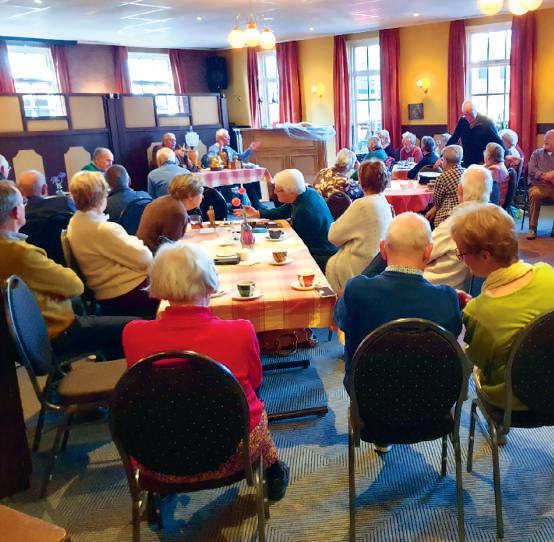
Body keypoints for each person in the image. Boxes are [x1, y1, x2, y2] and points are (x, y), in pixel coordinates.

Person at [122, 242, 289, 500]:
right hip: (234, 453)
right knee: (254, 403)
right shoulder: (240, 331)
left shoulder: (133, 334)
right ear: (210, 283)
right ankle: (273, 470)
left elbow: (140, 394)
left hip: (159, 457)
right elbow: (256, 383)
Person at [335, 212, 463, 414]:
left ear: (383, 249)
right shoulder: (448, 298)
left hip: (369, 400)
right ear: (428, 252)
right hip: (432, 404)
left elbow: (340, 322)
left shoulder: (356, 290)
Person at [0, 180, 135, 360]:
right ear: (16, 212)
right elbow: (75, 286)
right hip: (58, 331)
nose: (25, 206)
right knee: (136, 327)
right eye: (23, 202)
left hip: (26, 337)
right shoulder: (21, 253)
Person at [450, 203, 554, 414]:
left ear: (485, 256)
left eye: (461, 253)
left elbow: (480, 362)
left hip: (514, 402)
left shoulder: (478, 312)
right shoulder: (548, 273)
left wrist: (475, 313)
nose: (460, 258)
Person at [67, 171, 157, 318]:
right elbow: (145, 259)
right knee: (174, 287)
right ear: (102, 195)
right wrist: (136, 242)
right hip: (124, 293)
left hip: (106, 291)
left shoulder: (75, 223)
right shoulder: (102, 229)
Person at [237, 169, 336, 271]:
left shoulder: (304, 210)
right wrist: (257, 213)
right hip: (322, 246)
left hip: (322, 253)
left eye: (278, 190)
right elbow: (283, 211)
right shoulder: (306, 192)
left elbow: (296, 241)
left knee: (270, 258)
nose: (274, 192)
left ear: (290, 191)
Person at [325, 160, 393, 293]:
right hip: (377, 263)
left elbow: (333, 236)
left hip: (359, 267)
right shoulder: (383, 201)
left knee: (329, 263)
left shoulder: (362, 205)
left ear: (361, 181)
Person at [424, 165, 493, 290]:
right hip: (466, 286)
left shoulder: (455, 224)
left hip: (438, 288)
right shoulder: (493, 219)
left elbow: (423, 255)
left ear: (459, 190)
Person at [17, 169, 76, 263]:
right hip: (70, 261)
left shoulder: (19, 218)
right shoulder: (64, 203)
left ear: (21, 192)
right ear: (44, 188)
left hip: (36, 263)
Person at [137, 173, 204, 252]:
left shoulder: (164, 201)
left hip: (143, 252)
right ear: (190, 195)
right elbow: (171, 249)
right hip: (154, 256)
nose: (202, 196)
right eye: (201, 193)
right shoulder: (177, 211)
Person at [206, 128, 262, 209]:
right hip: (219, 177)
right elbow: (212, 162)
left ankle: (256, 203)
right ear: (220, 138)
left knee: (249, 179)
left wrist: (250, 149)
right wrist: (220, 149)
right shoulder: (213, 149)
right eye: (227, 137)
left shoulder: (228, 148)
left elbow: (240, 157)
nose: (229, 138)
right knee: (245, 180)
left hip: (231, 175)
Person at [447, 101, 504, 167]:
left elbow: (498, 142)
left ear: (475, 111)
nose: (468, 117)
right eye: (466, 114)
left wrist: (502, 159)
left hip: (482, 163)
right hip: (467, 162)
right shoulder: (462, 121)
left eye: (470, 114)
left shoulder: (487, 122)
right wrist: (444, 153)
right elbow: (454, 138)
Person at [425, 145, 465, 227]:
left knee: (427, 214)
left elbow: (437, 202)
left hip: (447, 217)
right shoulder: (466, 172)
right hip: (464, 213)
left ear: (445, 161)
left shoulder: (443, 177)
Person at [526, 130, 554, 240]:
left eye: (549, 138)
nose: (545, 140)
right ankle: (532, 228)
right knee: (535, 194)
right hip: (538, 185)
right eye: (545, 137)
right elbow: (531, 170)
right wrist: (544, 176)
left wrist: (552, 174)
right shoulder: (537, 153)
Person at [484, 142, 509, 206]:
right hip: (495, 200)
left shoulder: (495, 170)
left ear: (489, 157)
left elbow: (484, 187)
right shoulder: (500, 165)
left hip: (494, 203)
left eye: (485, 151)